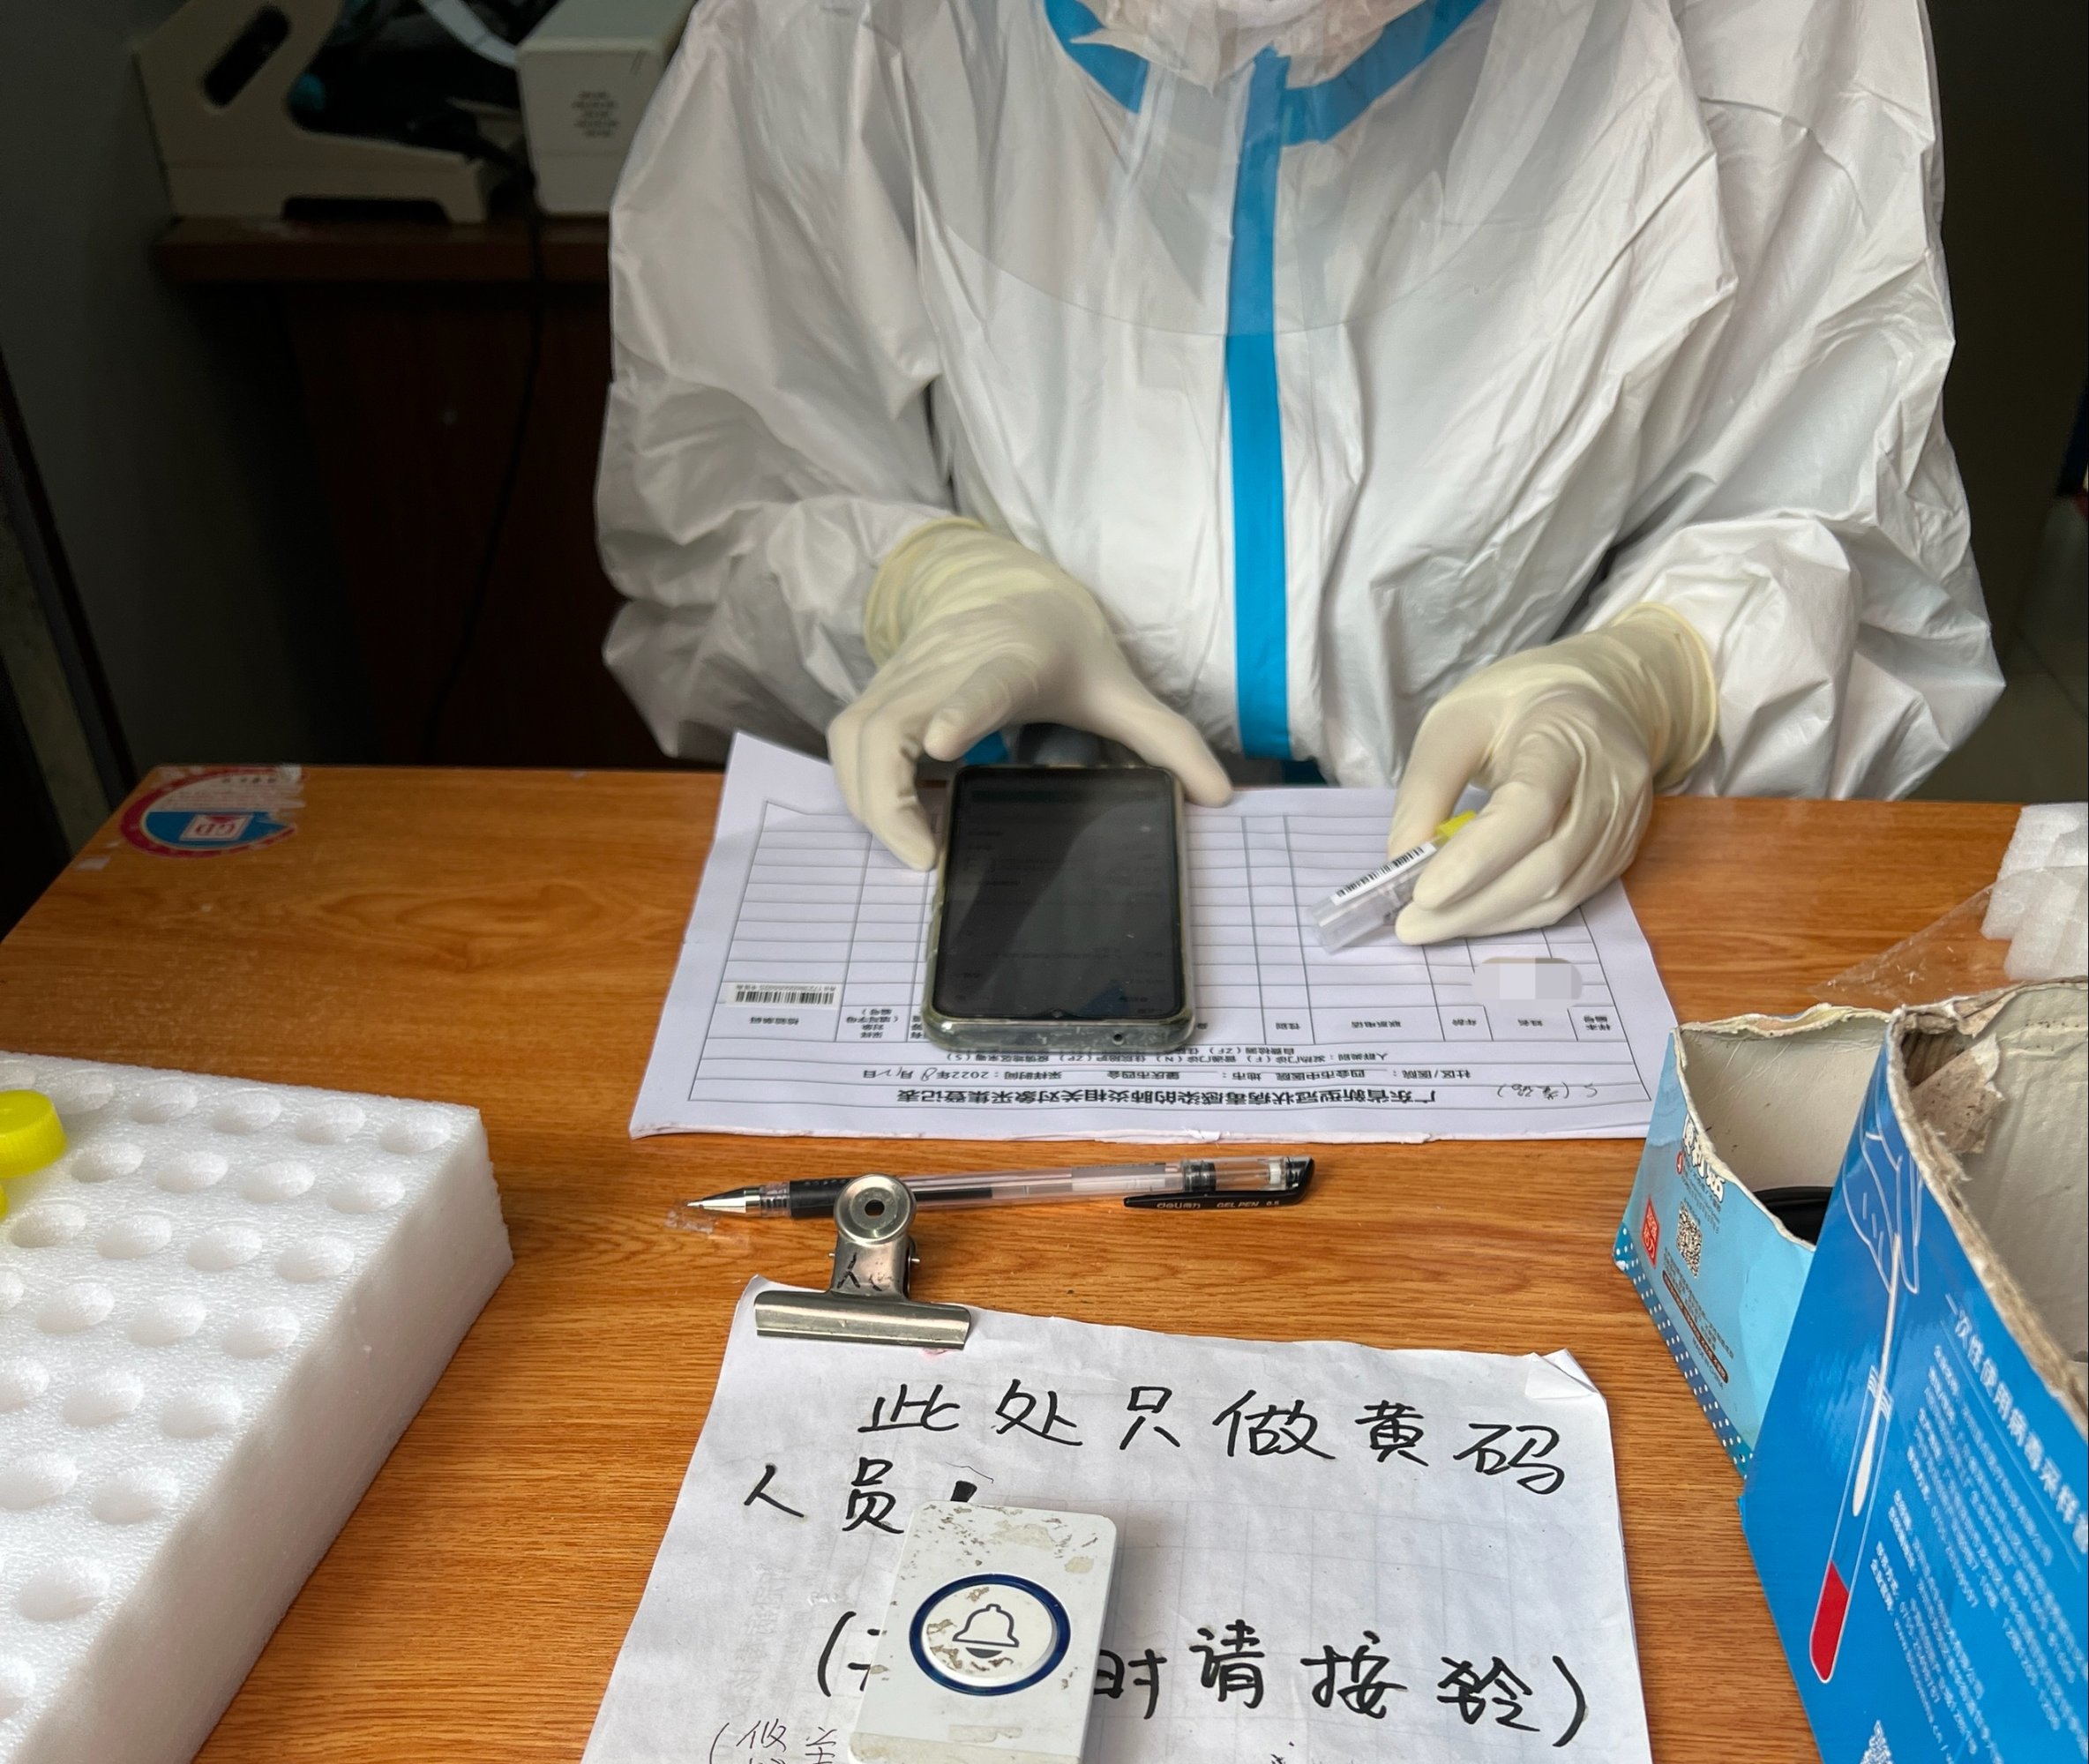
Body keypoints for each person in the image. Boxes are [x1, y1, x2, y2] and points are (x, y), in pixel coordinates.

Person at [596, 0, 2001, 942]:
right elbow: (722, 483)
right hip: (1018, 856)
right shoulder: (837, 26)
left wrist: (1656, 678)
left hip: (1519, 888)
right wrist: (923, 589)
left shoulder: (1760, 25)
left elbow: (1827, 499)